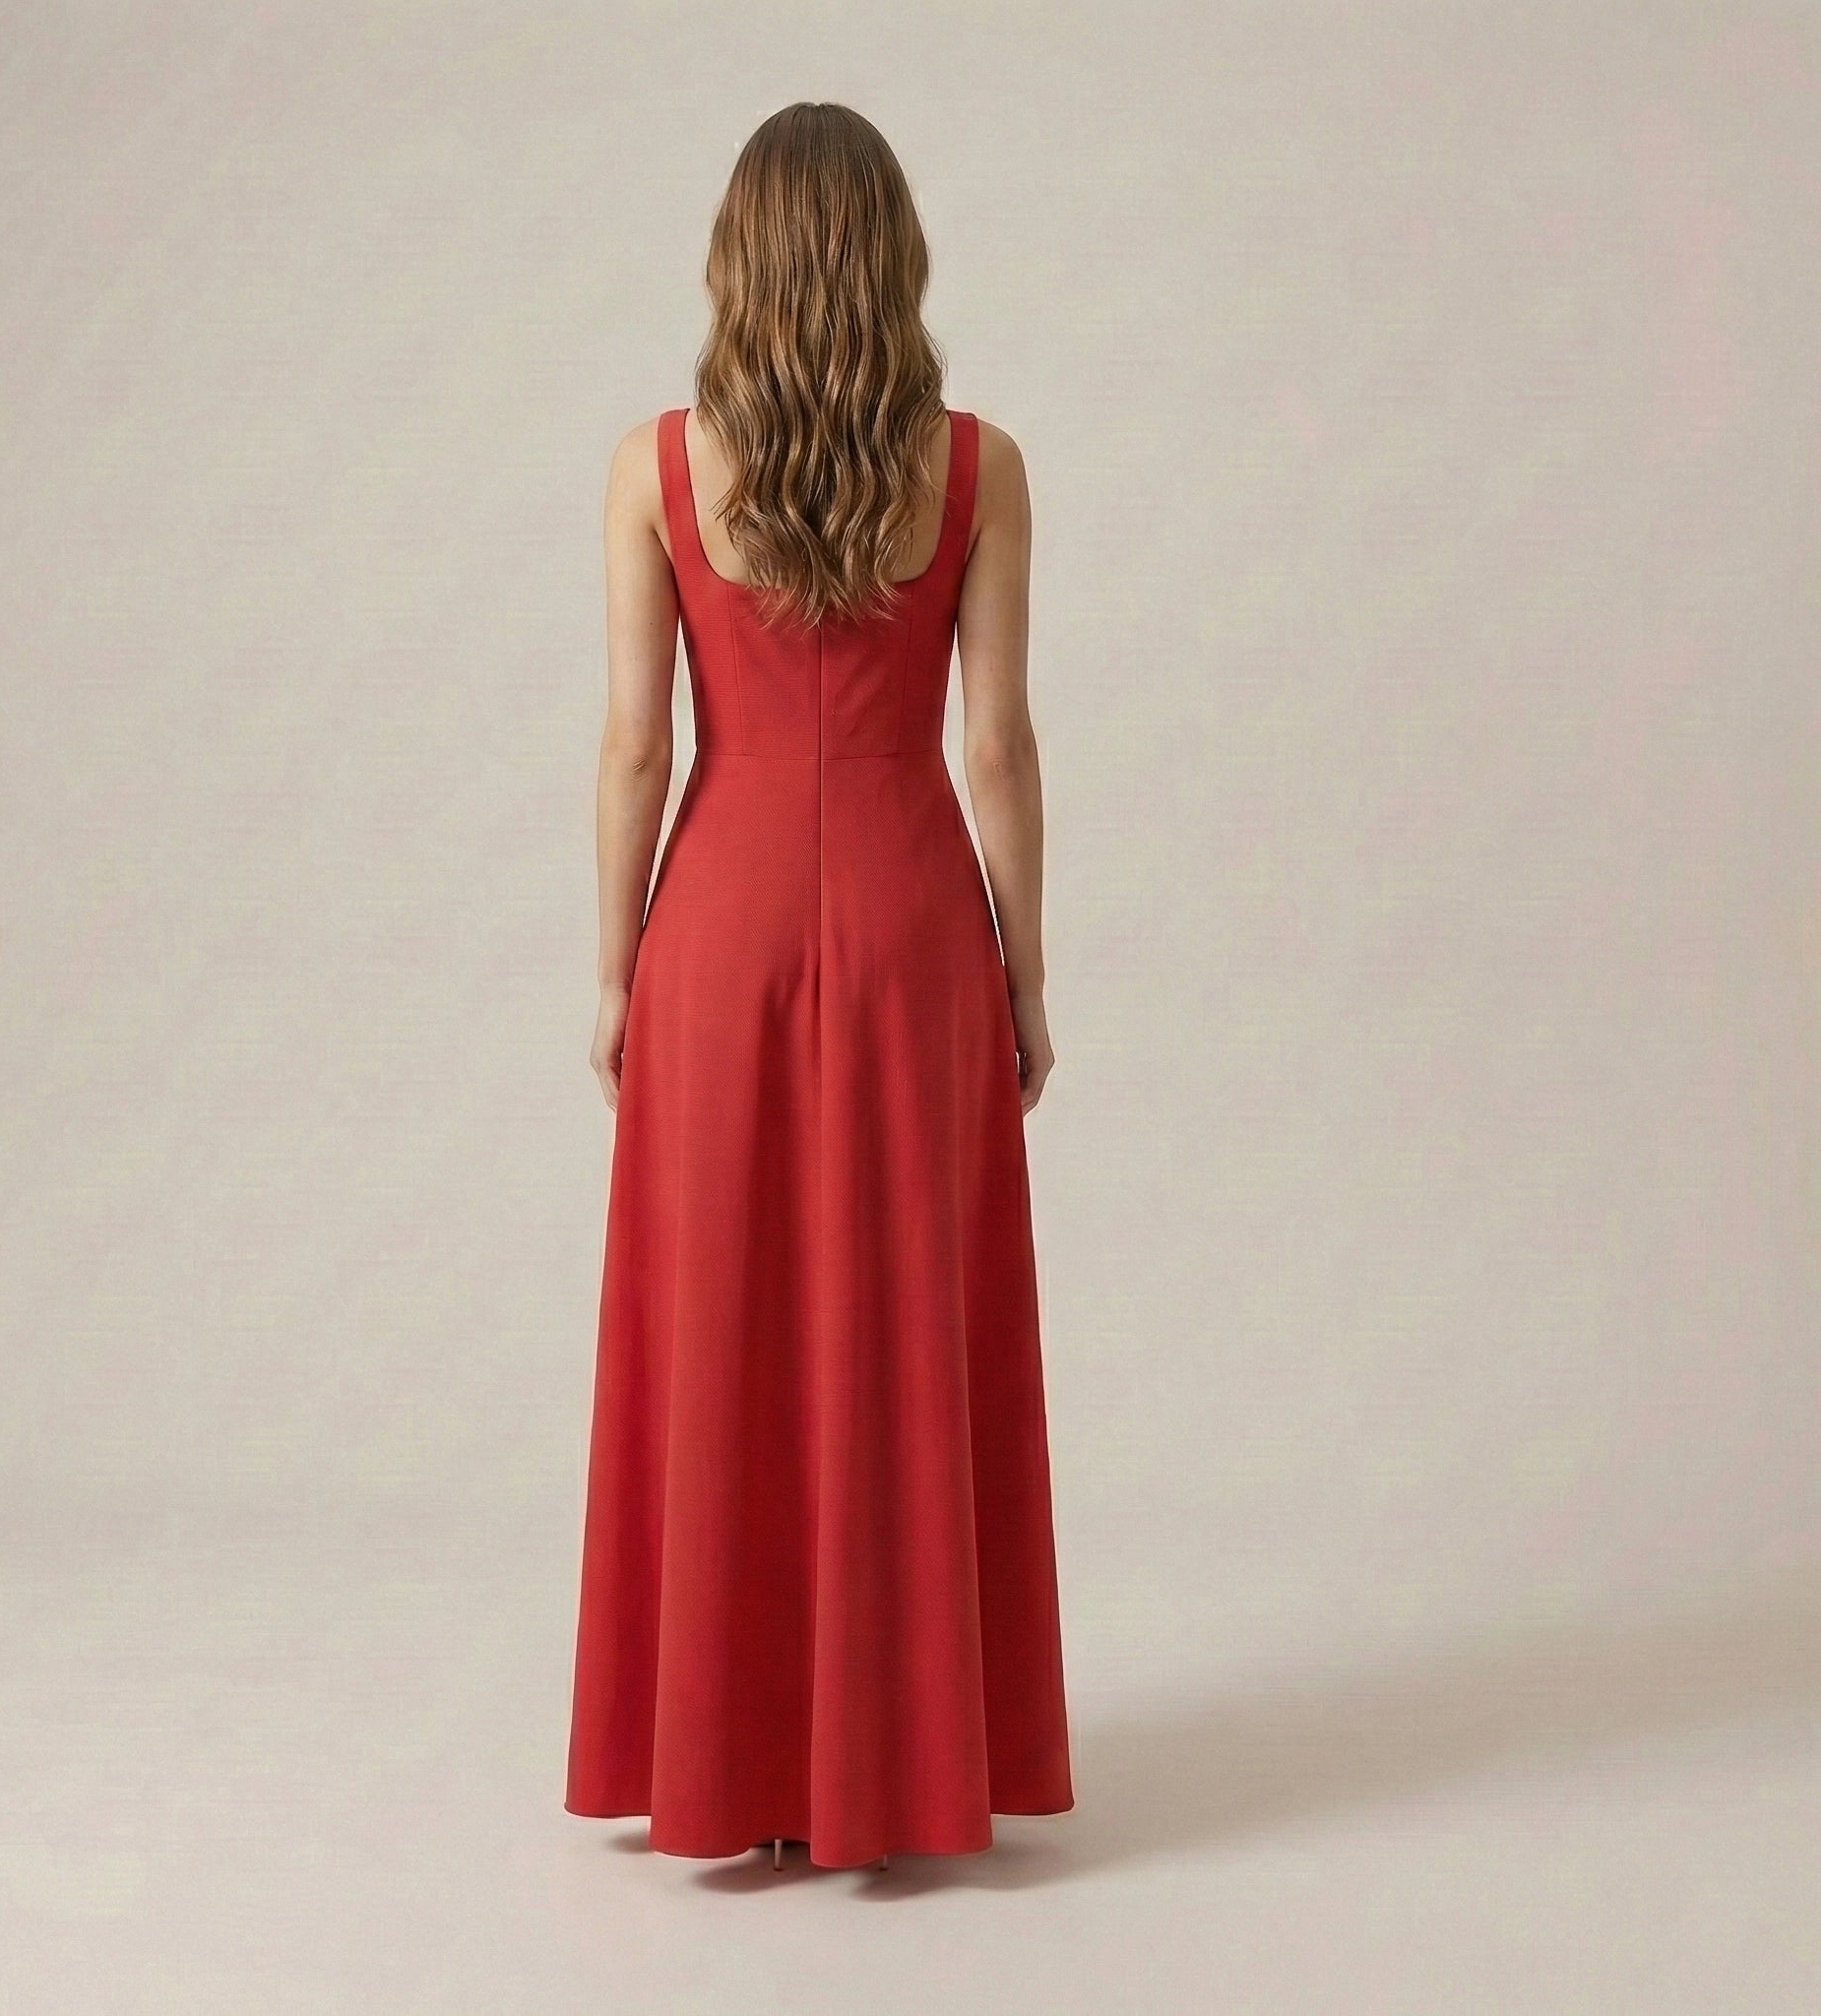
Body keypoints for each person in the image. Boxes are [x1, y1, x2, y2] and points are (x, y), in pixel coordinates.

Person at [565, 101, 1072, 1874]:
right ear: (896, 257)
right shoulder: (980, 467)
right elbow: (995, 747)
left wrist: (619, 967)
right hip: (916, 925)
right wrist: (1026, 974)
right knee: (899, 1319)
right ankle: (898, 1770)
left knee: (730, 1323)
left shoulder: (652, 466)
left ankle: (739, 1770)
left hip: (720, 931)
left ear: (737, 262)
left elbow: (638, 751)